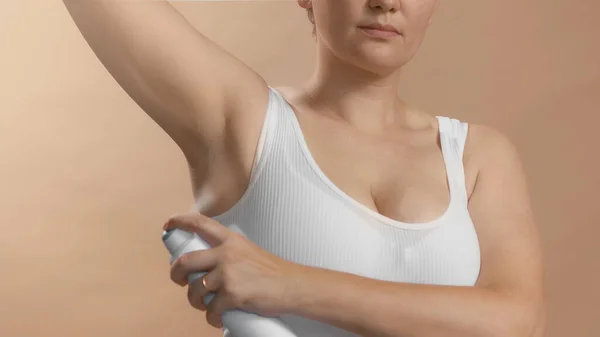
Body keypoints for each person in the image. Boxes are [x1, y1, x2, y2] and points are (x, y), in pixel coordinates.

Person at [62, 0, 545, 336]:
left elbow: (517, 324)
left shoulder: (476, 156)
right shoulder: (245, 123)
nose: (385, 2)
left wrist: (287, 284)